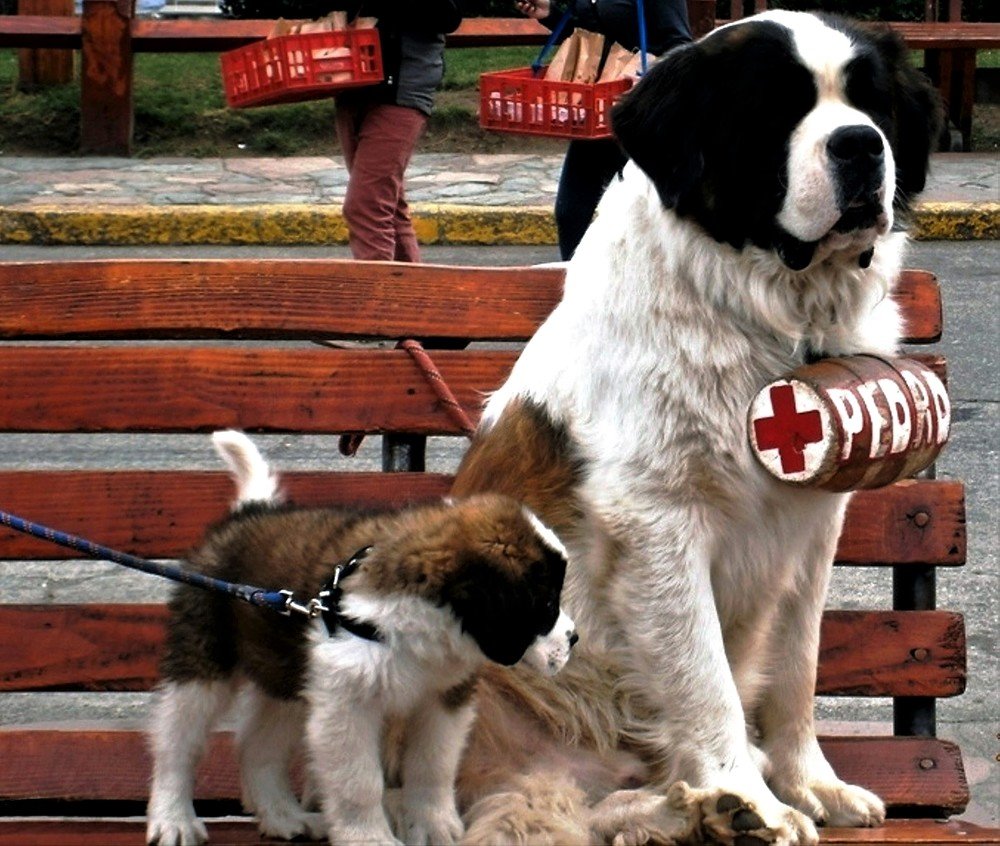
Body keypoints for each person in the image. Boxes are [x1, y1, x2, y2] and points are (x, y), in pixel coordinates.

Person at [515, 0, 692, 259]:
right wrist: (550, 15)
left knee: (641, 222)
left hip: (640, 124)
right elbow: (588, 42)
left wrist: (650, 74)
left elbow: (682, 47)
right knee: (570, 215)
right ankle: (577, 293)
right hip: (596, 116)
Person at [332, 0, 468, 262]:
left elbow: (448, 16)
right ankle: (413, 296)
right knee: (388, 207)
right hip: (350, 80)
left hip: (402, 86)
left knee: (366, 206)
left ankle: (381, 298)